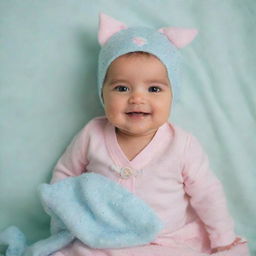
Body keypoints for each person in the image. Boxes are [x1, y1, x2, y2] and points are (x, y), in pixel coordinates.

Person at [50, 13, 248, 256]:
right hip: (101, 238)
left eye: (154, 88)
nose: (137, 98)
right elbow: (65, 176)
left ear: (172, 95)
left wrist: (223, 239)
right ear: (102, 93)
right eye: (122, 88)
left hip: (164, 241)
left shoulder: (181, 145)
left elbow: (208, 195)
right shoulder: (92, 134)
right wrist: (65, 224)